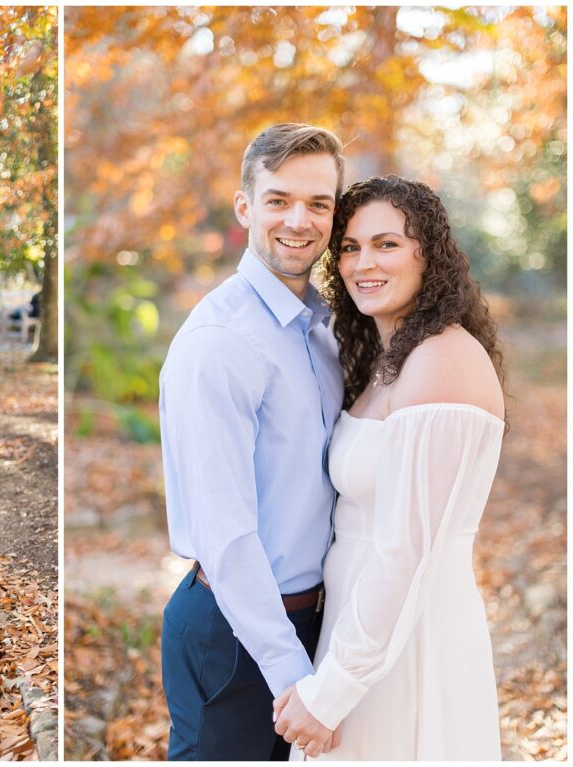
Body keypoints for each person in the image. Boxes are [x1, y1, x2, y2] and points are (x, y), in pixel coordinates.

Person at [274, 175, 505, 760]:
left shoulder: (442, 362)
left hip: (407, 640)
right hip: (361, 628)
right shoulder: (390, 361)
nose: (362, 263)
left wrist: (332, 692)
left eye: (386, 244)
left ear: (428, 253)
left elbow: (404, 554)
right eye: (349, 247)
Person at [159, 124, 346, 760]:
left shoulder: (323, 330)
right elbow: (226, 532)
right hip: (235, 636)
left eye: (319, 203)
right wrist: (290, 670)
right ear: (245, 208)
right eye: (278, 200)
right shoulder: (221, 340)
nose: (300, 219)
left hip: (314, 621)